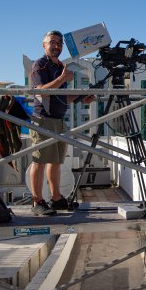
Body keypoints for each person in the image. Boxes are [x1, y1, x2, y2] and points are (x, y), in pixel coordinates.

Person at [30, 30, 94, 215]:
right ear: (44, 45)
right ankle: (37, 202)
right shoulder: (39, 65)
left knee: (55, 162)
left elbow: (62, 98)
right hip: (42, 120)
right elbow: (40, 91)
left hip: (58, 120)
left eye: (59, 43)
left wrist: (82, 97)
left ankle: (56, 199)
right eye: (52, 42)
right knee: (39, 161)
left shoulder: (60, 66)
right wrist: (62, 79)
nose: (57, 45)